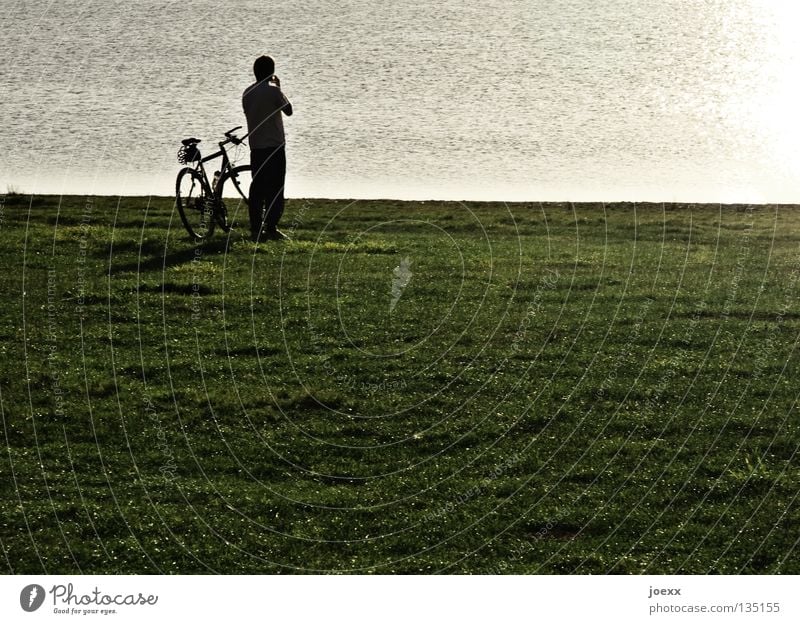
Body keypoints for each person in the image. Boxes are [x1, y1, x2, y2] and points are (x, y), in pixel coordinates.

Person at [242, 55, 293, 241]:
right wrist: (279, 88)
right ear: (271, 72)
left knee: (257, 187)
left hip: (256, 146)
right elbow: (288, 110)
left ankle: (256, 228)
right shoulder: (273, 92)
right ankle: (271, 227)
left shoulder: (247, 93)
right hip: (274, 146)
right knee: (276, 187)